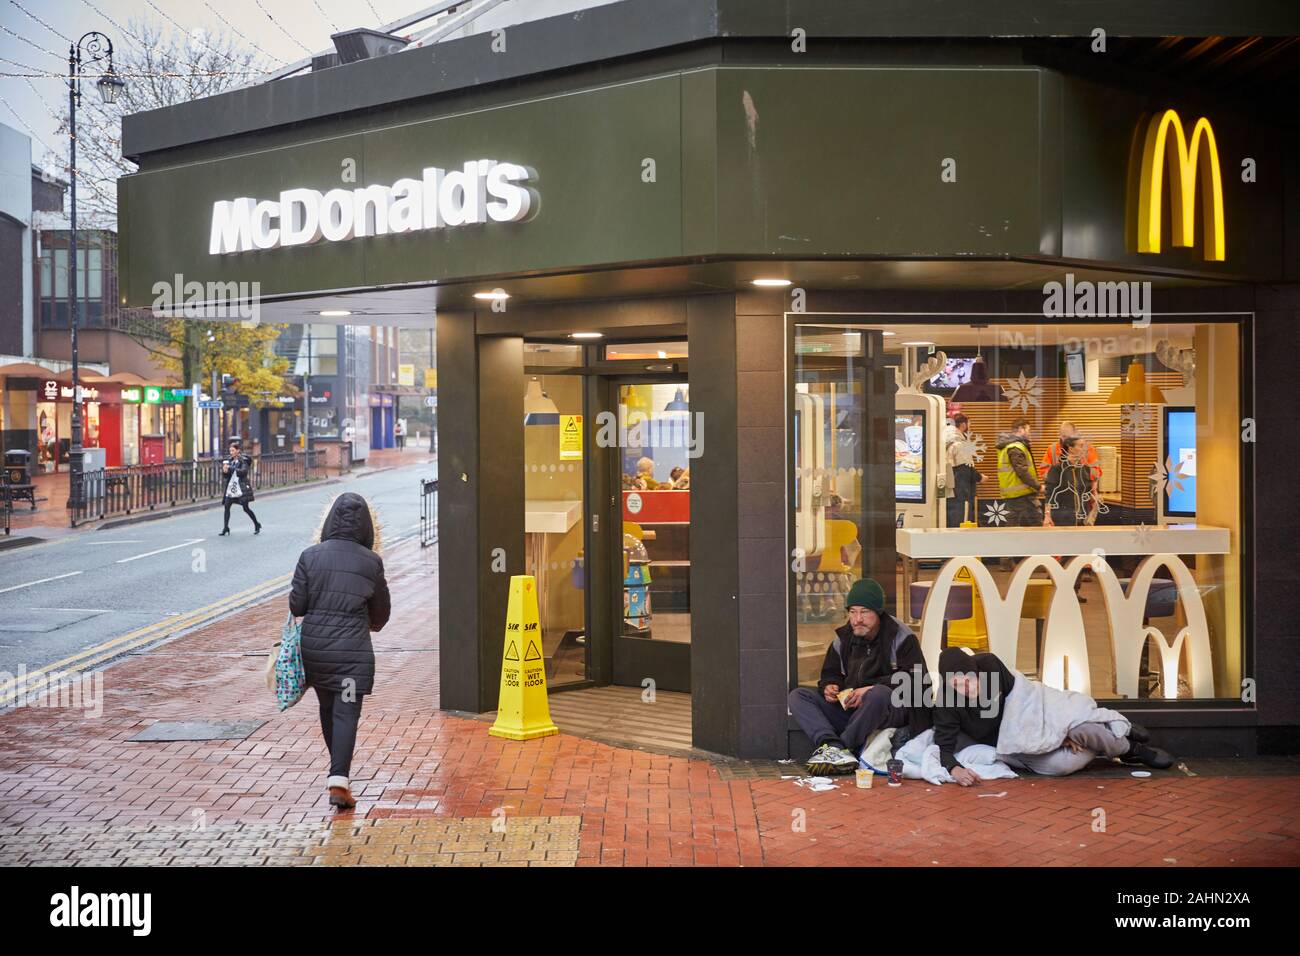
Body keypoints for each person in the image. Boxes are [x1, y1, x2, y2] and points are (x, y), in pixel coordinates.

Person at [934, 648, 1173, 786]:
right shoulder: (946, 701)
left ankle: (1132, 749)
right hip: (1014, 745)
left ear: (975, 670)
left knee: (1082, 729)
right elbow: (944, 746)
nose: (965, 686)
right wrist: (954, 769)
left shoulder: (989, 664)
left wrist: (1052, 730)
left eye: (968, 679)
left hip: (1033, 721)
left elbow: (1023, 700)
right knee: (1062, 765)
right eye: (957, 684)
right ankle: (1108, 737)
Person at [290, 493, 392, 809]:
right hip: (352, 655)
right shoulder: (371, 562)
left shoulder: (310, 556)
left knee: (327, 708)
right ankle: (339, 780)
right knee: (346, 712)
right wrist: (368, 624)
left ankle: (338, 773)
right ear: (366, 527)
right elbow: (381, 614)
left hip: (315, 651)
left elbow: (298, 605)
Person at [788, 578, 931, 775]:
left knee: (878, 694)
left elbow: (919, 682)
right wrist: (830, 686)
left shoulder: (902, 637)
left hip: (893, 709)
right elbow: (831, 673)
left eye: (864, 612)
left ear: (878, 612)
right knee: (798, 696)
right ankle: (831, 745)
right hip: (853, 710)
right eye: (852, 612)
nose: (857, 619)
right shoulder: (843, 638)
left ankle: (844, 747)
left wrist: (871, 689)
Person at [995, 417, 1041, 526]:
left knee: (1013, 527)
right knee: (1036, 525)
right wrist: (1038, 486)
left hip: (1014, 495)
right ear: (1021, 429)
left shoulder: (1008, 446)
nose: (1029, 434)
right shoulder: (1015, 447)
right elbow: (1022, 472)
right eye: (1028, 430)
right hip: (1022, 495)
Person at [1042, 434, 1093, 527]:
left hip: (1082, 519)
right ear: (1071, 449)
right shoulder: (1057, 469)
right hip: (1062, 519)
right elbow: (1049, 494)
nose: (1084, 449)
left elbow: (1087, 494)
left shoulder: (1086, 469)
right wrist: (1047, 516)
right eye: (1081, 446)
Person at [944, 412, 983, 526]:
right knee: (962, 521)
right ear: (963, 425)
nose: (969, 426)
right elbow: (965, 468)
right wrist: (979, 477)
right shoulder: (959, 444)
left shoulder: (946, 441)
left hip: (950, 490)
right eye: (969, 423)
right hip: (961, 490)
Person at [219, 440, 260, 535]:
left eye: (233, 450)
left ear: (238, 451)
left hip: (241, 488)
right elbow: (227, 475)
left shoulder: (243, 460)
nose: (231, 453)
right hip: (232, 488)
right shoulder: (229, 461)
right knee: (227, 506)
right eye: (230, 451)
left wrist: (231, 469)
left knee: (246, 508)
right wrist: (225, 471)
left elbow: (243, 472)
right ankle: (226, 528)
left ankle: (256, 524)